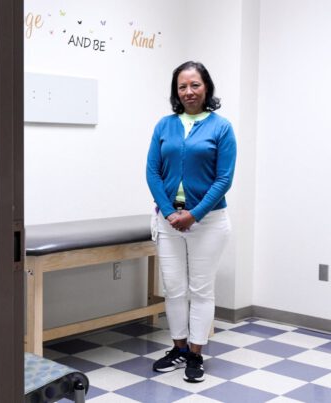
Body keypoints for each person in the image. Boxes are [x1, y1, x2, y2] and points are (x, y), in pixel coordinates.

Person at [145, 61, 237, 383]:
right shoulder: (164, 125)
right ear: (176, 91)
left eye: (194, 85)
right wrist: (170, 213)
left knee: (200, 289)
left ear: (206, 87)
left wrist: (194, 215)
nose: (188, 92)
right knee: (173, 288)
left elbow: (224, 179)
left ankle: (196, 355)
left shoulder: (221, 127)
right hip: (169, 221)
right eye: (182, 86)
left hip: (208, 221)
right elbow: (152, 172)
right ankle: (179, 348)